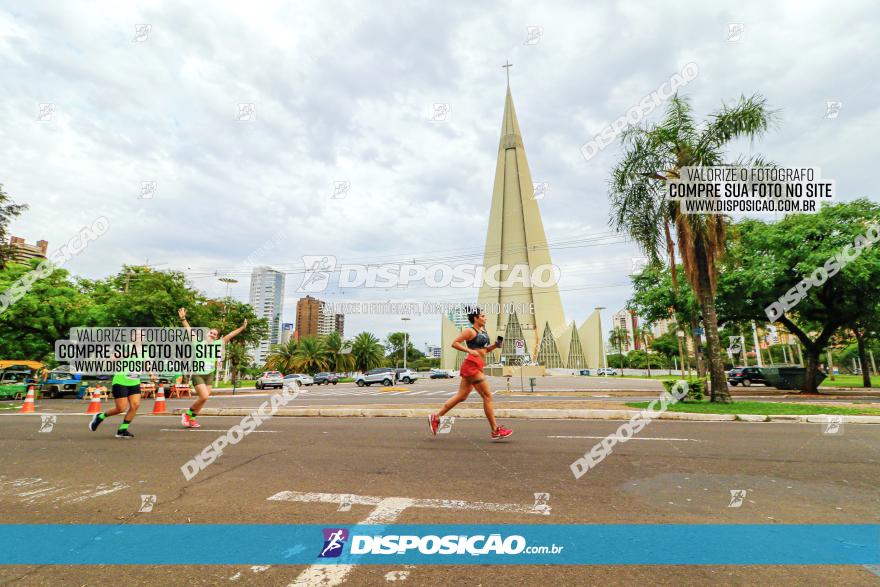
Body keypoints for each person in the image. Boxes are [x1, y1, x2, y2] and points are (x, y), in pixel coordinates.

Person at [429, 307, 512, 440]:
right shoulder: (470, 331)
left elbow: (484, 350)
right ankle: (495, 430)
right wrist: (469, 351)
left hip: (477, 365)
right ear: (476, 318)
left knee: (461, 396)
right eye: (483, 316)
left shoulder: (483, 331)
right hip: (471, 365)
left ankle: (436, 417)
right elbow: (454, 343)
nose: (485, 318)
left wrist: (495, 346)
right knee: (487, 396)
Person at [178, 307, 247, 428]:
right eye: (211, 333)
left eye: (215, 334)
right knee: (204, 396)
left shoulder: (218, 343)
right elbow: (188, 329)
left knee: (203, 399)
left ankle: (192, 419)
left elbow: (231, 335)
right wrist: (183, 318)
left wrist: (242, 328)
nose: (213, 335)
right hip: (198, 374)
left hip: (209, 374)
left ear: (217, 337)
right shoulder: (197, 342)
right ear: (207, 333)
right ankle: (187, 414)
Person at [89, 329, 155, 438]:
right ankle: (100, 416)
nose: (140, 336)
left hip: (134, 381)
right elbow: (111, 359)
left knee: (135, 405)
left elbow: (146, 364)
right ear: (133, 337)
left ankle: (122, 430)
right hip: (121, 380)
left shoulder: (145, 351)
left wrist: (151, 374)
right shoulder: (125, 347)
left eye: (142, 335)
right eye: (137, 334)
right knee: (121, 408)